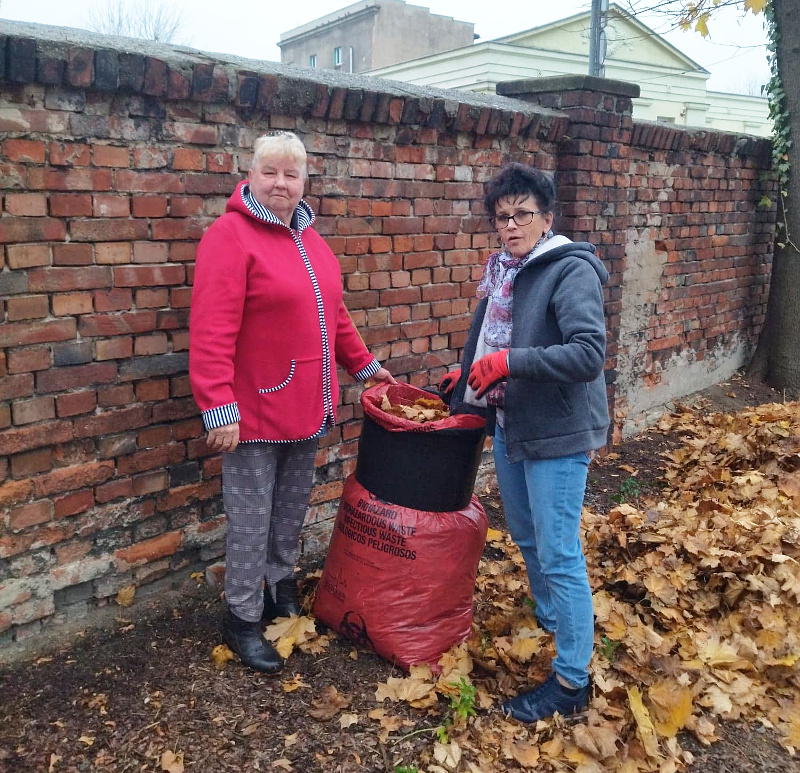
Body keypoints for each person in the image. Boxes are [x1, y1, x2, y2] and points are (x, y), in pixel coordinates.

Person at [190, 131, 395, 674]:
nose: (281, 183)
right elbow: (211, 330)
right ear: (251, 175)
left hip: (307, 408)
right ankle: (241, 617)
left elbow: (336, 318)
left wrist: (368, 369)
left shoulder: (311, 241)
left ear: (306, 182)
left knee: (288, 513)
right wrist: (217, 406)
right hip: (252, 415)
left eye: (292, 174)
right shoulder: (229, 237)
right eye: (270, 172)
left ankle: (281, 587)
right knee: (251, 520)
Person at [441, 163, 610, 722]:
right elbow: (487, 339)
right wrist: (464, 380)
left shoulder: (570, 271)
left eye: (522, 215)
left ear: (547, 217)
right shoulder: (503, 272)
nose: (511, 226)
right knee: (528, 536)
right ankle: (556, 618)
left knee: (560, 550)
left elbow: (587, 355)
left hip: (558, 430)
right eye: (502, 217)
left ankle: (571, 680)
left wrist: (509, 364)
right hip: (513, 423)